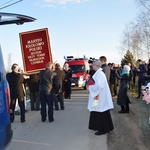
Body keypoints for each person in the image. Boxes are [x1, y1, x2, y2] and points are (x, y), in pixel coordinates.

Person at [87, 60, 114, 136]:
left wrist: (90, 87)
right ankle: (98, 126)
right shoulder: (98, 73)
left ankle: (103, 129)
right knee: (98, 111)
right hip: (97, 96)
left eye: (92, 65)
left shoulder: (100, 74)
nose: (92, 66)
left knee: (101, 112)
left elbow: (99, 86)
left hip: (100, 96)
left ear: (96, 65)